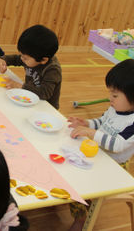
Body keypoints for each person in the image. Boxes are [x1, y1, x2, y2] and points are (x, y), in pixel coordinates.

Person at [67, 59, 134, 231]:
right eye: (110, 93)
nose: (110, 98)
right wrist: (87, 123)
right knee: (71, 176)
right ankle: (81, 212)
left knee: (79, 184)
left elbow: (117, 145)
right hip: (97, 155)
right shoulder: (116, 107)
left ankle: (82, 219)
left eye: (115, 95)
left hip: (114, 166)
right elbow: (102, 121)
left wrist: (90, 133)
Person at [0, 25, 61, 109]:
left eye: (25, 58)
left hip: (45, 107)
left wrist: (20, 86)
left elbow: (44, 93)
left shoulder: (52, 70)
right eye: (21, 55)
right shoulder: (32, 57)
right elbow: (16, 59)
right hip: (30, 98)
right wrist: (2, 60)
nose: (22, 59)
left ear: (43, 60)